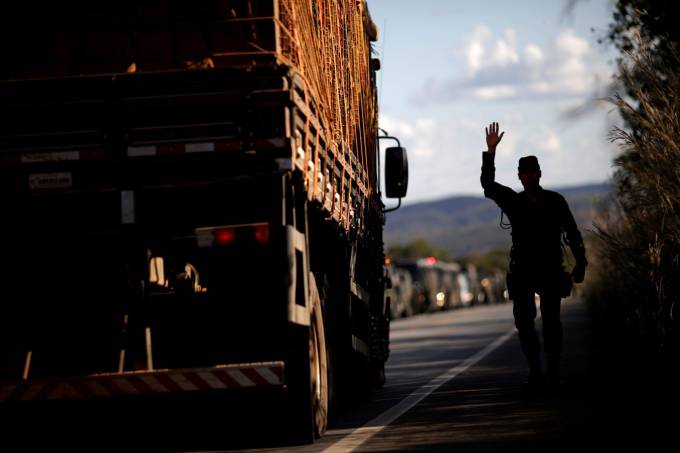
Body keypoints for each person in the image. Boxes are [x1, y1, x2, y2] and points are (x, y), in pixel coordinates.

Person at [480, 122, 587, 389]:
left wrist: (580, 263)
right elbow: (488, 183)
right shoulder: (513, 201)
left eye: (532, 173)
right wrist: (490, 151)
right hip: (524, 271)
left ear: (539, 174)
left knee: (552, 322)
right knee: (525, 324)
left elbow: (573, 233)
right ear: (519, 176)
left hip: (551, 268)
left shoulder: (555, 201)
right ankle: (536, 371)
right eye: (524, 174)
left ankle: (552, 372)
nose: (528, 177)